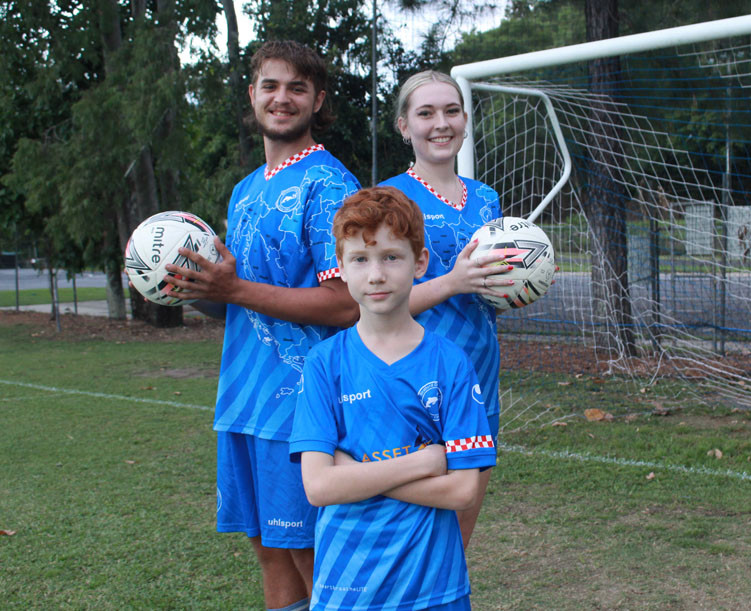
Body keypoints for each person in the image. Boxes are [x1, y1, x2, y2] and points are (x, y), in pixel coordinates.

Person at [165, 40, 361, 611]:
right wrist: (189, 289)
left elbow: (345, 302)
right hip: (243, 397)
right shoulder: (246, 189)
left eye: (297, 88)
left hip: (298, 404)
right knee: (269, 550)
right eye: (270, 85)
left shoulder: (330, 186)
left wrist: (234, 289)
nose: (282, 98)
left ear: (317, 100)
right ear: (252, 96)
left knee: (311, 554)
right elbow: (241, 303)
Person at [290, 186, 496, 610]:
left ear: (419, 262)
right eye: (360, 259)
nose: (376, 274)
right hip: (347, 587)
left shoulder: (451, 364)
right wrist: (421, 462)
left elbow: (461, 491)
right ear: (340, 269)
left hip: (432, 586)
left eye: (391, 257)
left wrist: (356, 474)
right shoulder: (324, 363)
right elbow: (318, 486)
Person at [378, 70, 508, 549]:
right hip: (414, 379)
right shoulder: (386, 200)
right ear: (403, 126)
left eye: (451, 111)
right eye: (425, 113)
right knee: (411, 538)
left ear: (466, 120)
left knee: (459, 536)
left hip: (478, 375)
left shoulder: (485, 198)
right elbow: (373, 304)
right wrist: (451, 282)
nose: (441, 123)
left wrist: (519, 285)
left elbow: (486, 294)